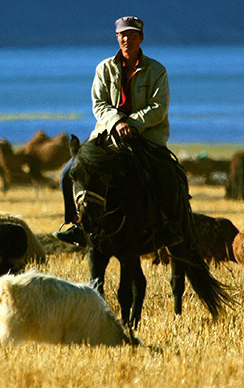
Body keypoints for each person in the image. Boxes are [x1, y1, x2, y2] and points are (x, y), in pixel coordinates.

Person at [54, 16, 173, 246]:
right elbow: (99, 104)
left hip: (145, 136)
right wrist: (117, 122)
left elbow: (159, 108)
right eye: (122, 35)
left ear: (141, 38)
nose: (126, 39)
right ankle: (76, 225)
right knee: (68, 173)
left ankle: (167, 226)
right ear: (117, 38)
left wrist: (133, 124)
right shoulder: (104, 68)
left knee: (165, 175)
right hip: (106, 134)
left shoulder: (157, 70)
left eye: (131, 34)